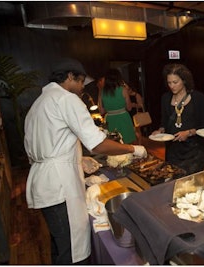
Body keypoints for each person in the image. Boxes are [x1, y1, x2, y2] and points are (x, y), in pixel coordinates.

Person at [23, 58, 147, 264]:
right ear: (70, 77)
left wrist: (78, 160)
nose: (82, 87)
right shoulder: (66, 99)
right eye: (80, 82)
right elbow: (97, 144)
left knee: (59, 244)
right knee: (71, 251)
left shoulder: (39, 102)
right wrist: (133, 148)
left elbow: (47, 146)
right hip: (59, 186)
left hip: (43, 181)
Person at [151, 63, 204, 175]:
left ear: (184, 80)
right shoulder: (165, 98)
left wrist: (188, 132)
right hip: (173, 150)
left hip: (194, 151)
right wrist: (160, 131)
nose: (172, 86)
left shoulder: (198, 98)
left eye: (175, 82)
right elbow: (164, 121)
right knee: (175, 181)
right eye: (169, 83)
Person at [99, 68, 136, 144]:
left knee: (114, 145)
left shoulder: (102, 92)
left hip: (110, 119)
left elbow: (101, 111)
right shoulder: (123, 90)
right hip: (123, 118)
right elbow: (129, 108)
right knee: (126, 144)